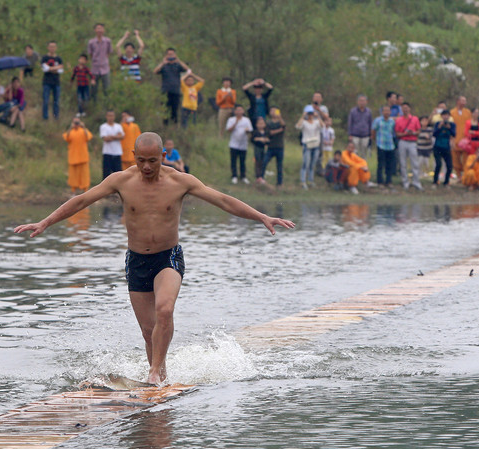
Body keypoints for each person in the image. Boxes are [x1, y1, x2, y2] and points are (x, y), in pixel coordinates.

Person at [15, 132, 295, 385]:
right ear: (133, 157)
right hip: (136, 261)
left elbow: (222, 199)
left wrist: (261, 216)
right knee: (149, 331)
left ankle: (153, 373)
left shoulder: (180, 181)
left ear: (163, 157)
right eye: (141, 161)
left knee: (164, 310)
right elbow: (81, 201)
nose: (147, 167)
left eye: (153, 161)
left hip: (168, 257)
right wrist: (46, 222)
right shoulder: (121, 181)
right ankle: (160, 373)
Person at [154, 48, 190, 125]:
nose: (170, 55)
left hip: (176, 91)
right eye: (169, 54)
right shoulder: (164, 66)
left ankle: (174, 127)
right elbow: (155, 71)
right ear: (166, 55)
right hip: (165, 91)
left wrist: (178, 60)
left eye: (172, 54)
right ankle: (165, 127)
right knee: (165, 111)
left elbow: (187, 69)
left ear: (175, 55)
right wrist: (163, 63)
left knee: (175, 111)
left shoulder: (177, 65)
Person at [395, 102, 423, 190]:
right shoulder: (399, 120)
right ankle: (405, 182)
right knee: (403, 163)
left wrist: (413, 133)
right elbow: (397, 133)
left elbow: (419, 131)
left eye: (406, 108)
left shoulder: (414, 119)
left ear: (409, 109)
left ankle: (416, 182)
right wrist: (405, 134)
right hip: (403, 141)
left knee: (414, 162)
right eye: (403, 108)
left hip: (412, 142)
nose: (405, 110)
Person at [62, 116, 93, 194]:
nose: (76, 124)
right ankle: (73, 191)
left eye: (77, 122)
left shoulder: (83, 131)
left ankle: (85, 190)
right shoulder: (70, 131)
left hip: (83, 157)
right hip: (73, 157)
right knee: (73, 176)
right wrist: (70, 128)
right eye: (75, 122)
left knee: (84, 175)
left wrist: (84, 127)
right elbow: (66, 138)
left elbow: (88, 137)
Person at [296, 106, 322, 189]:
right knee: (305, 163)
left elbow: (322, 126)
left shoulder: (316, 122)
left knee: (312, 164)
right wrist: (303, 116)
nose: (310, 115)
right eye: (309, 113)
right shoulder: (304, 122)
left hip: (315, 144)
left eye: (311, 113)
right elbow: (297, 126)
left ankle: (311, 180)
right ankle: (303, 181)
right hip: (307, 145)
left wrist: (317, 116)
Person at [226, 105, 252, 184]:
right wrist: (236, 122)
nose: (239, 111)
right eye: (237, 110)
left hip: (243, 144)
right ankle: (234, 176)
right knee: (233, 160)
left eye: (241, 110)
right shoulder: (231, 119)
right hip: (233, 144)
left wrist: (247, 131)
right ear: (235, 111)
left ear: (243, 111)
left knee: (242, 161)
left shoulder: (246, 120)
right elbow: (228, 130)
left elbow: (250, 129)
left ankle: (243, 176)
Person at [371, 105, 396, 186]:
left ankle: (389, 181)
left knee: (389, 164)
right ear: (382, 112)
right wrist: (375, 141)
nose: (386, 112)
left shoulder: (392, 121)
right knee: (380, 164)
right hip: (381, 144)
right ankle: (380, 181)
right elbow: (373, 131)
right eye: (385, 111)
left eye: (388, 111)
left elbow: (393, 132)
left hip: (390, 145)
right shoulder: (377, 120)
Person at [87, 23, 112, 99]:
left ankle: (108, 107)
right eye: (98, 28)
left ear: (104, 30)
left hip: (105, 68)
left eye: (101, 28)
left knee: (107, 89)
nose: (99, 30)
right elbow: (90, 54)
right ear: (95, 30)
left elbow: (109, 52)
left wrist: (104, 60)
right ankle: (94, 106)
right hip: (95, 69)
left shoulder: (108, 41)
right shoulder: (91, 42)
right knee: (93, 89)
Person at [262, 107, 285, 186]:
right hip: (270, 147)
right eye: (272, 110)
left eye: (275, 111)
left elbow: (284, 126)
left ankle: (279, 183)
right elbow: (270, 132)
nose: (273, 112)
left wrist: (280, 117)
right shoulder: (268, 123)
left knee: (279, 166)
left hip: (280, 147)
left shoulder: (280, 122)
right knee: (264, 162)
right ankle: (261, 179)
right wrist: (279, 130)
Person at [450, 96, 472, 180]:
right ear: (457, 101)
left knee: (466, 160)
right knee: (455, 159)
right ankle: (459, 176)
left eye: (465, 101)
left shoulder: (467, 112)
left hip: (465, 140)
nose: (463, 102)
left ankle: (465, 176)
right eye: (462, 101)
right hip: (455, 138)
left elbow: (470, 124)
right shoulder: (452, 112)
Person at [432, 110, 456, 187]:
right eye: (444, 115)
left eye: (447, 115)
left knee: (449, 166)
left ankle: (446, 181)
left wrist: (449, 128)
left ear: (449, 117)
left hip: (446, 147)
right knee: (438, 164)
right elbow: (434, 134)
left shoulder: (452, 125)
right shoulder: (437, 124)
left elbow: (454, 134)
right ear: (441, 116)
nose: (445, 117)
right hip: (437, 147)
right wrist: (439, 127)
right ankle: (435, 181)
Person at [41, 42, 64, 120]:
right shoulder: (44, 58)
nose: (52, 48)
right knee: (46, 101)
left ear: (56, 48)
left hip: (56, 82)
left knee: (56, 101)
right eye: (51, 46)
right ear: (48, 47)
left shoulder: (59, 59)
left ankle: (55, 117)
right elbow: (44, 68)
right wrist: (56, 68)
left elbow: (61, 70)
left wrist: (50, 68)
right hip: (46, 82)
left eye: (54, 47)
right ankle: (45, 117)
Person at [100, 110, 125, 180]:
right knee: (106, 173)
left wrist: (111, 136)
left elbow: (122, 136)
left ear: (114, 117)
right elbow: (105, 138)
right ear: (106, 116)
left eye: (112, 116)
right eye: (109, 116)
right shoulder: (103, 126)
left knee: (119, 174)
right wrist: (116, 136)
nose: (110, 117)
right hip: (107, 152)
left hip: (117, 152)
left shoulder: (118, 126)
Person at [251, 117, 269, 183]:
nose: (261, 125)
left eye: (262, 123)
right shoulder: (255, 132)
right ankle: (258, 176)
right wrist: (260, 139)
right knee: (257, 161)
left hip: (264, 148)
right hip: (257, 148)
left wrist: (266, 141)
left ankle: (262, 176)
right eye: (259, 123)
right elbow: (253, 139)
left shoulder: (266, 132)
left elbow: (268, 140)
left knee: (263, 162)